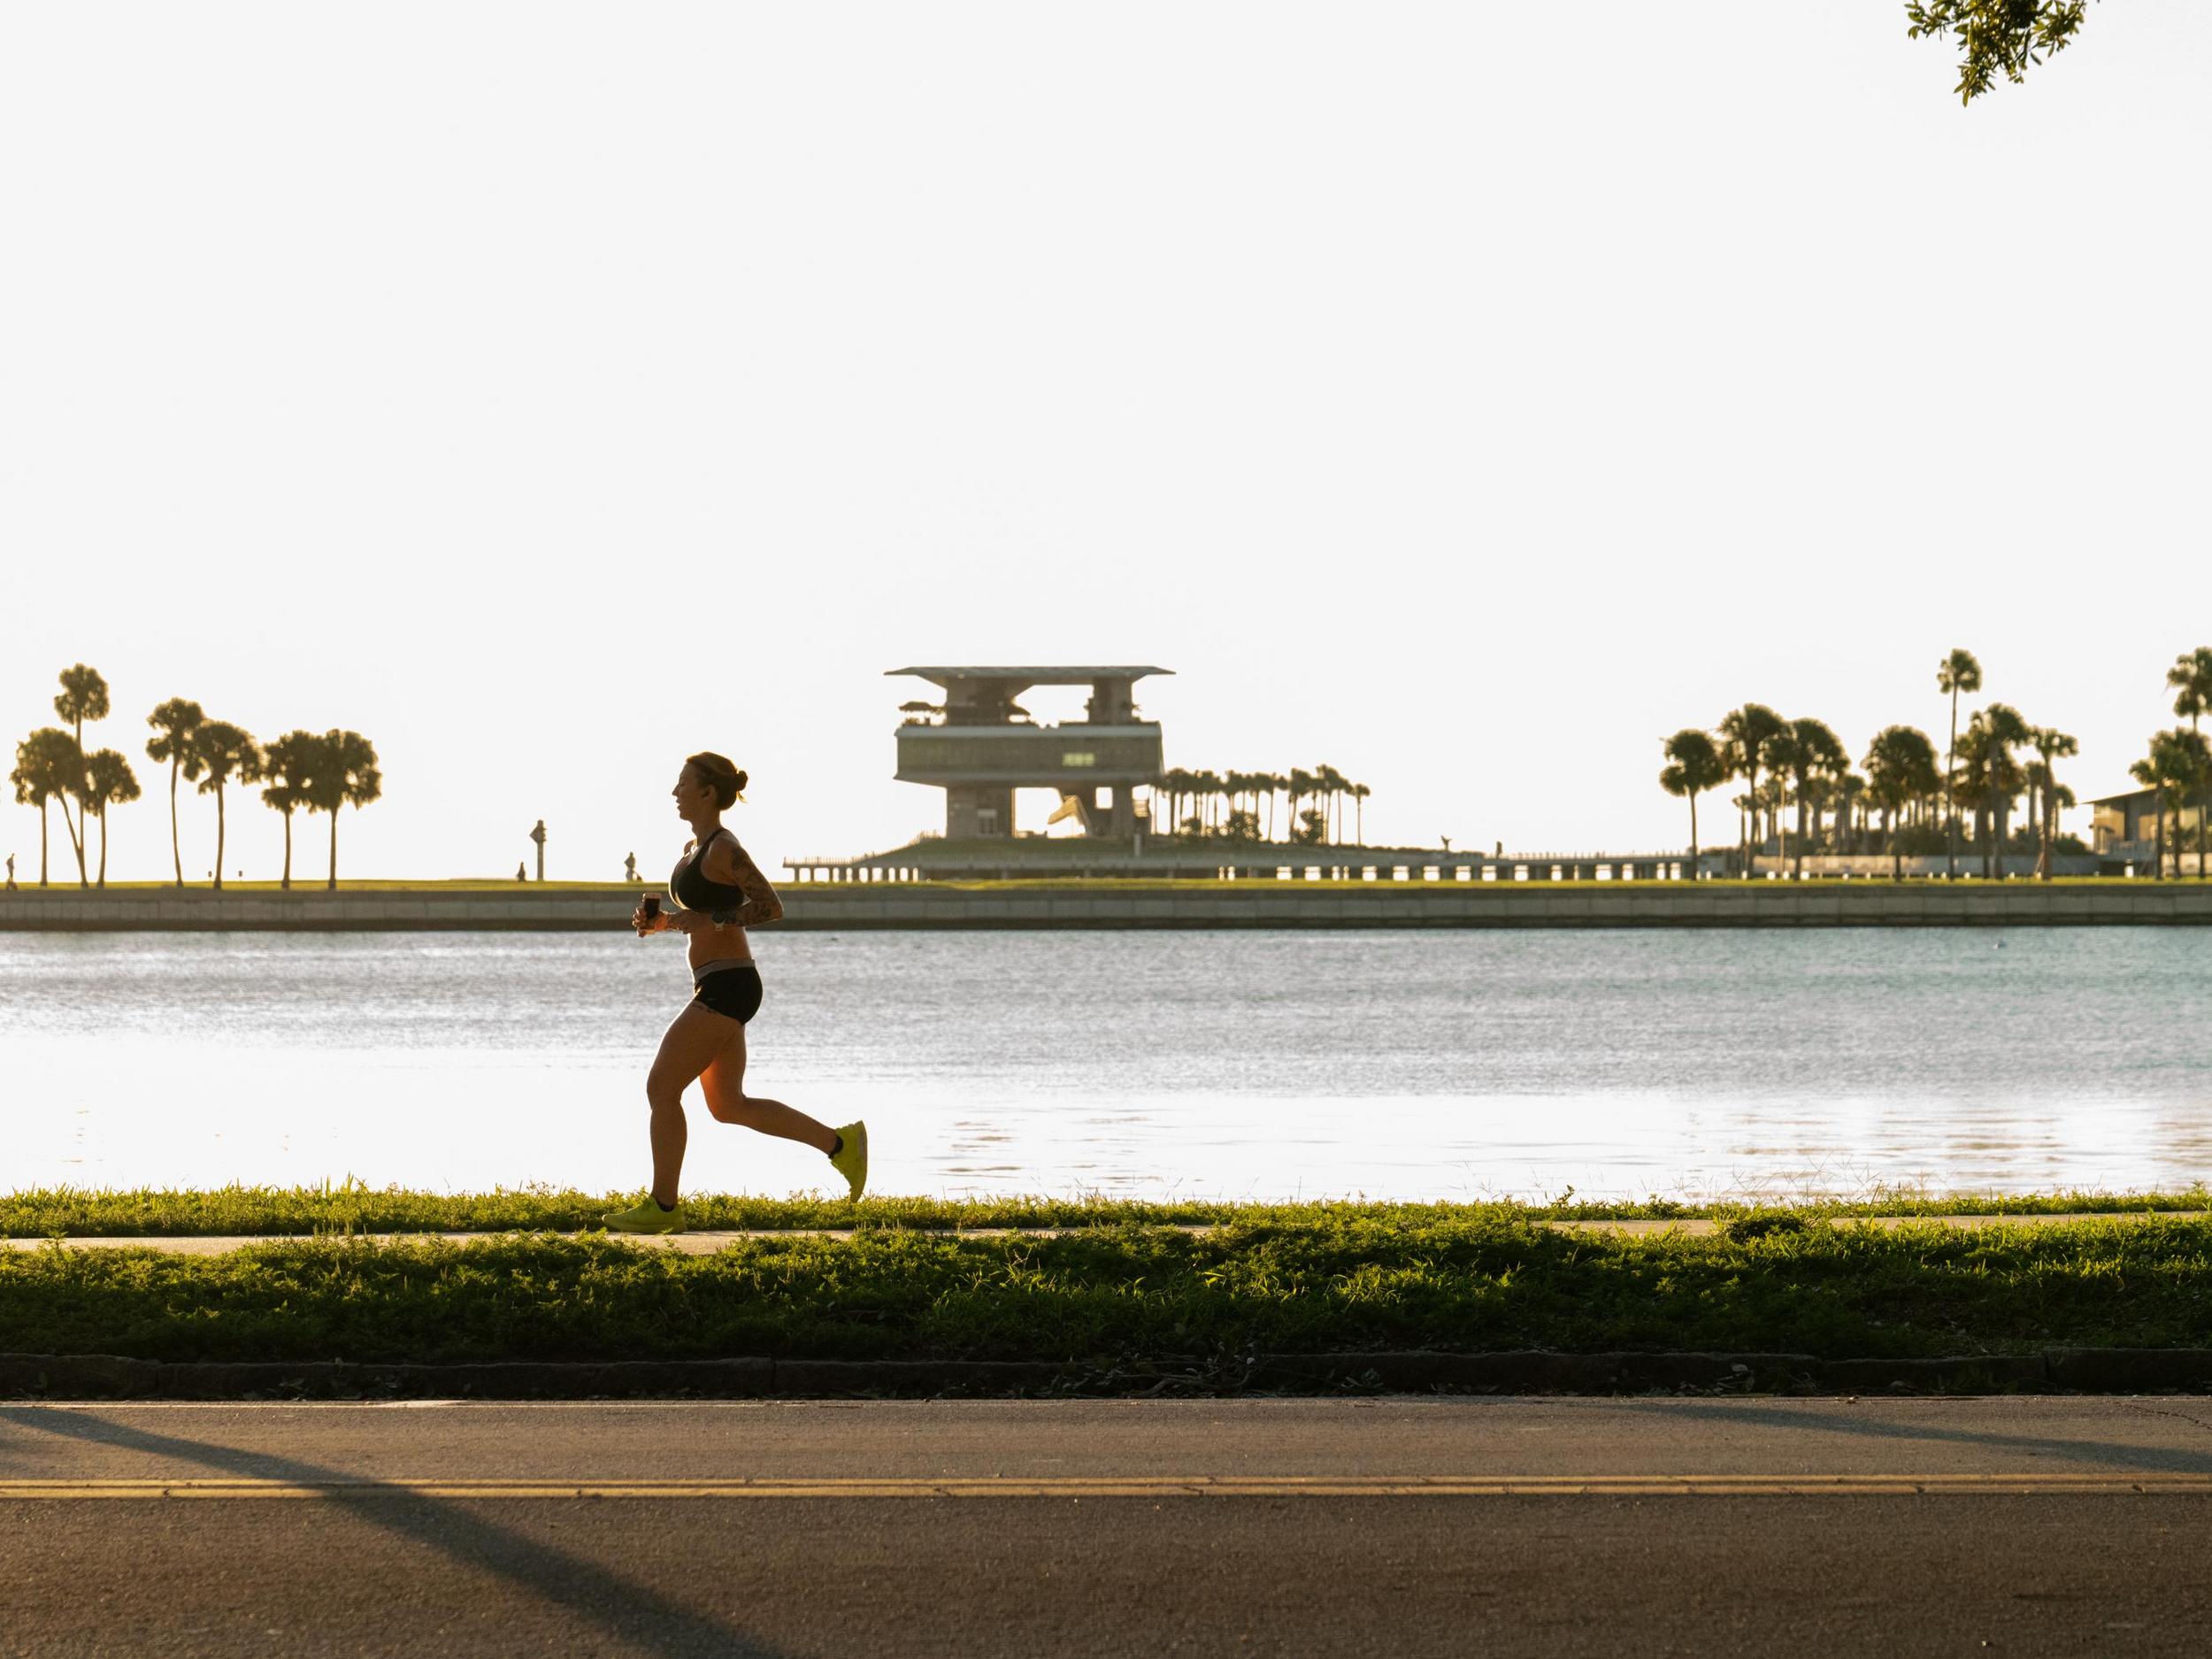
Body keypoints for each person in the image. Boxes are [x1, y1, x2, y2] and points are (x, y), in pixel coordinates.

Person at [607, 750, 865, 1233]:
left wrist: (711, 919)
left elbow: (770, 906)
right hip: (719, 981)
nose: (675, 792)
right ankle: (842, 1146)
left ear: (708, 793)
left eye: (683, 783)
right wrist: (662, 923)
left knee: (661, 1088)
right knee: (728, 1106)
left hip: (729, 984)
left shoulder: (724, 848)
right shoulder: (693, 849)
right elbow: (700, 919)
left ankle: (663, 1209)